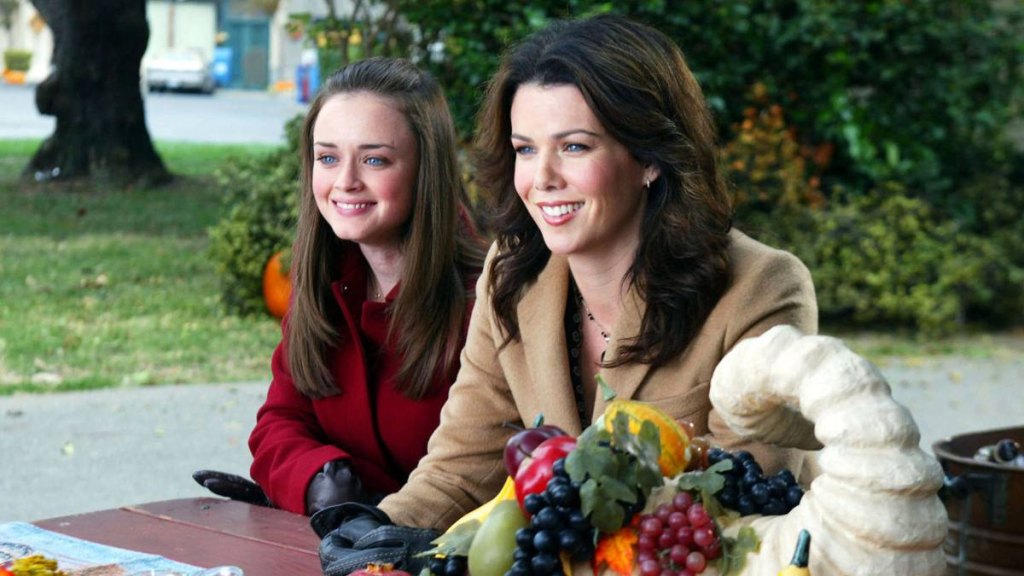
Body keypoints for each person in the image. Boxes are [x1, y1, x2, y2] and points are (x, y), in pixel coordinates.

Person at [314, 15, 820, 573]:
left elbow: (737, 508)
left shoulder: (763, 289)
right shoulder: (512, 274)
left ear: (650, 158)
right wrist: (380, 528)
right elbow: (462, 465)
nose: (542, 177)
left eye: (574, 147)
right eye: (525, 150)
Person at [194, 57, 487, 516]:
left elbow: (478, 470)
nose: (345, 182)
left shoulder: (486, 298)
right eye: (328, 158)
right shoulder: (324, 282)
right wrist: (317, 479)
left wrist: (365, 506)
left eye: (374, 159)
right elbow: (280, 423)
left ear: (425, 169)